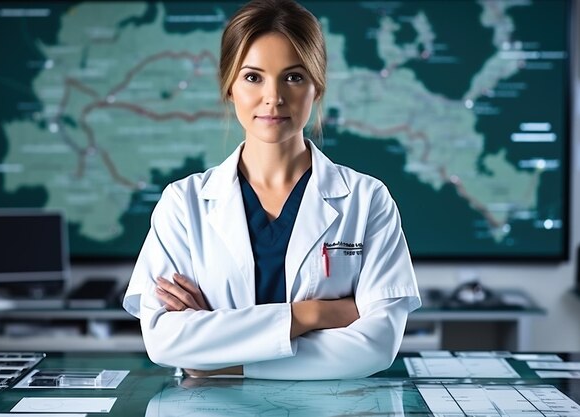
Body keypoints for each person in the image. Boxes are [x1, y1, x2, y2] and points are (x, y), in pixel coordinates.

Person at [123, 0, 421, 380]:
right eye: (253, 77)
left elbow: (376, 346)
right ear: (229, 86)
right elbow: (164, 340)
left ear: (318, 86)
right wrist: (311, 315)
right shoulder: (184, 204)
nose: (273, 97)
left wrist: (223, 360)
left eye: (294, 77)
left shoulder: (366, 199)